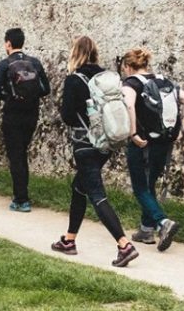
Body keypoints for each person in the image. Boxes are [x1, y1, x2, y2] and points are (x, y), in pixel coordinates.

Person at [52, 36, 138, 267]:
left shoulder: (74, 80)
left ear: (75, 53)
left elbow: (68, 116)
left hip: (85, 144)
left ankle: (124, 245)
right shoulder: (106, 77)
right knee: (79, 187)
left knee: (96, 193)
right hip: (107, 144)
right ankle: (69, 240)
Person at [120, 47, 184, 251]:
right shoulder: (163, 81)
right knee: (150, 183)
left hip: (143, 142)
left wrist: (133, 133)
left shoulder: (131, 83)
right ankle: (146, 230)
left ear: (128, 66)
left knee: (140, 187)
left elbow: (128, 105)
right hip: (164, 141)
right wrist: (181, 129)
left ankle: (162, 222)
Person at [0, 26, 51, 212]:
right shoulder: (35, 62)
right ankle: (21, 194)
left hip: (12, 115)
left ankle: (21, 199)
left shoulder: (3, 64)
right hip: (32, 114)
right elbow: (45, 89)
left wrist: (10, 96)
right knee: (22, 152)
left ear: (8, 43)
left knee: (15, 155)